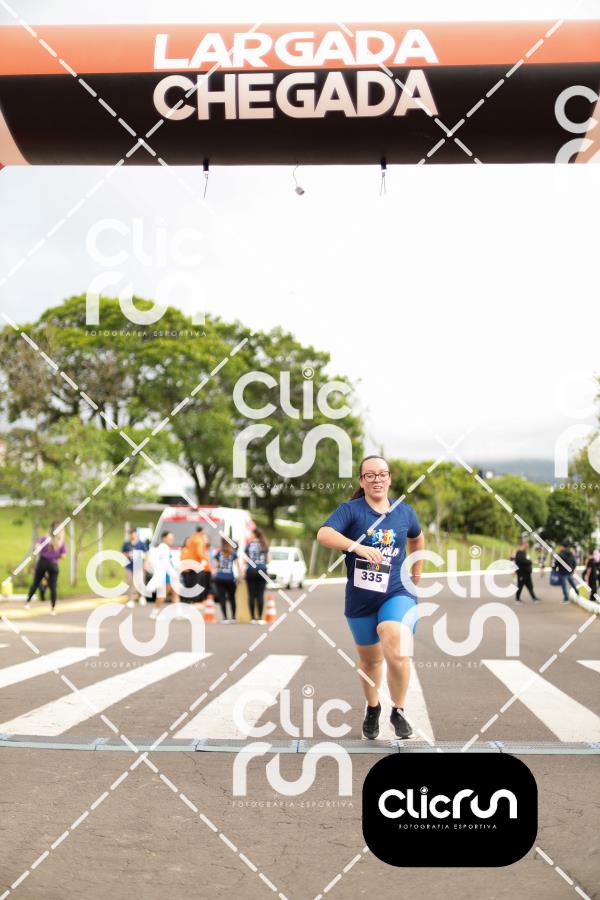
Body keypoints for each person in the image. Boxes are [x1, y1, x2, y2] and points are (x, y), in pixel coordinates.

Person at [317, 455, 425, 741]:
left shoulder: (404, 512)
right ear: (362, 481)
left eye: (382, 474)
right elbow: (324, 534)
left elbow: (417, 538)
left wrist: (416, 571)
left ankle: (398, 710)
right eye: (370, 475)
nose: (377, 480)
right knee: (370, 662)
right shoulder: (351, 510)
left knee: (395, 641)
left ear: (389, 479)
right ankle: (373, 707)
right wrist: (356, 547)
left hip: (397, 591)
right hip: (361, 599)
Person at [24, 524, 66, 615]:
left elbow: (37, 547)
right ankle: (53, 609)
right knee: (53, 586)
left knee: (36, 582)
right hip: (53, 564)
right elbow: (63, 556)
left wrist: (40, 549)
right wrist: (56, 556)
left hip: (43, 563)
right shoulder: (60, 542)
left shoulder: (45, 539)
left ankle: (27, 603)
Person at [147, 531, 182, 619]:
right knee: (163, 594)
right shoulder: (163, 548)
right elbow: (165, 564)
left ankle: (178, 613)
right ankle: (154, 613)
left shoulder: (164, 548)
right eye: (170, 538)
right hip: (165, 575)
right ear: (164, 538)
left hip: (167, 574)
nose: (171, 540)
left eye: (172, 538)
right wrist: (173, 573)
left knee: (175, 593)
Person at [245, 527, 270, 623]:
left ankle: (252, 618)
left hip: (251, 570)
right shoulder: (264, 544)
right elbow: (269, 559)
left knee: (251, 594)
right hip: (262, 569)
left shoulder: (249, 545)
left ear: (255, 534)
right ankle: (259, 618)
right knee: (260, 594)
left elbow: (245, 559)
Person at [121, 527, 149, 608]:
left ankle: (141, 597)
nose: (132, 535)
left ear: (136, 534)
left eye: (133, 533)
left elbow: (146, 554)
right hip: (129, 566)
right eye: (130, 534)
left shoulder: (141, 544)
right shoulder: (126, 544)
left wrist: (145, 564)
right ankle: (130, 599)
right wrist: (128, 554)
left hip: (139, 566)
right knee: (129, 583)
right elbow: (123, 553)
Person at [213, 539, 239, 622]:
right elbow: (238, 566)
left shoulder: (219, 553)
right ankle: (233, 617)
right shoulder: (233, 553)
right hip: (230, 578)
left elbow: (215, 566)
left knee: (222, 598)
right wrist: (239, 577)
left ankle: (225, 618)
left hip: (220, 577)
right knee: (232, 598)